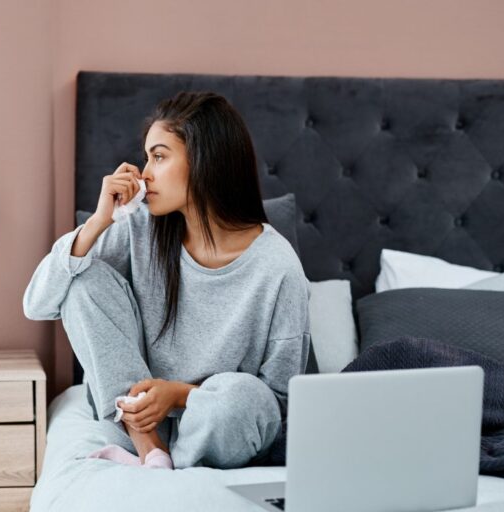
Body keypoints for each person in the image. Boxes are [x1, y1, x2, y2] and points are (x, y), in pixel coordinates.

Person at [23, 91, 310, 470]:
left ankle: (172, 464)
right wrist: (97, 224)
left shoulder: (278, 267)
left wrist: (180, 396)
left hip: (217, 429)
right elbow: (38, 304)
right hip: (132, 424)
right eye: (147, 158)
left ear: (206, 160)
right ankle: (150, 450)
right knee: (83, 279)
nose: (144, 174)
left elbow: (277, 404)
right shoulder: (138, 225)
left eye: (158, 156)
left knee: (245, 396)